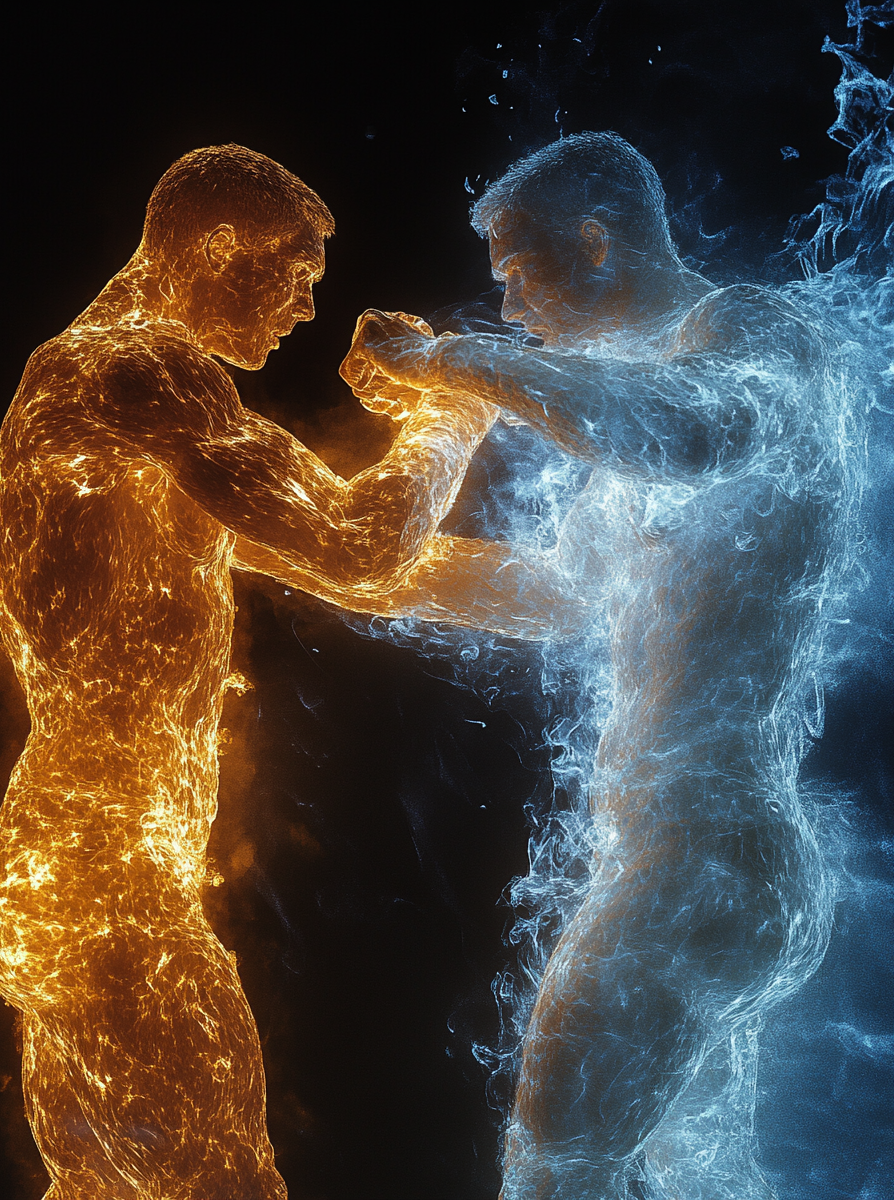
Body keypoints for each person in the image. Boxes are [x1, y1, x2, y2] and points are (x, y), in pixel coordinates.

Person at [0, 144, 495, 1200]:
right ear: (212, 249)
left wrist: (591, 592)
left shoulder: (110, 417)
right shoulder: (138, 368)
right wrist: (455, 412)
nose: (305, 307)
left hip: (67, 878)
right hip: (115, 894)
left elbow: (364, 572)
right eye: (295, 273)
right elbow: (359, 539)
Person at [324, 133, 842, 1198]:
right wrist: (307, 548)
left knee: (559, 1161)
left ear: (597, 241)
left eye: (516, 273)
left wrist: (448, 362)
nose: (509, 308)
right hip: (694, 862)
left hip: (706, 857)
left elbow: (679, 437)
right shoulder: (649, 414)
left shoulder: (747, 333)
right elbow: (553, 595)